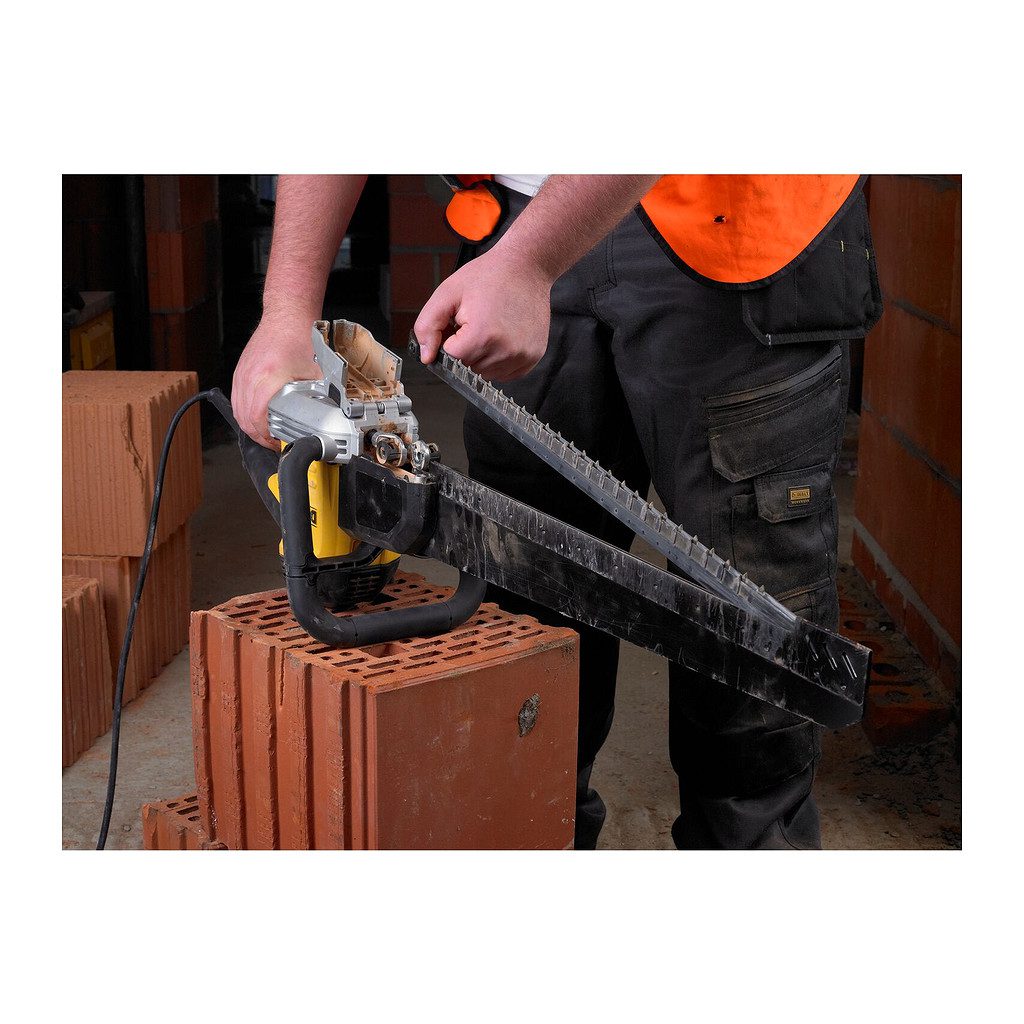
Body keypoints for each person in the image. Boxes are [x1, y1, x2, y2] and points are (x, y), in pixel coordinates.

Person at [233, 173, 882, 849]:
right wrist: (286, 310)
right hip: (520, 217)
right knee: (528, 620)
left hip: (740, 231)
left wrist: (527, 262)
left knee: (752, 647)